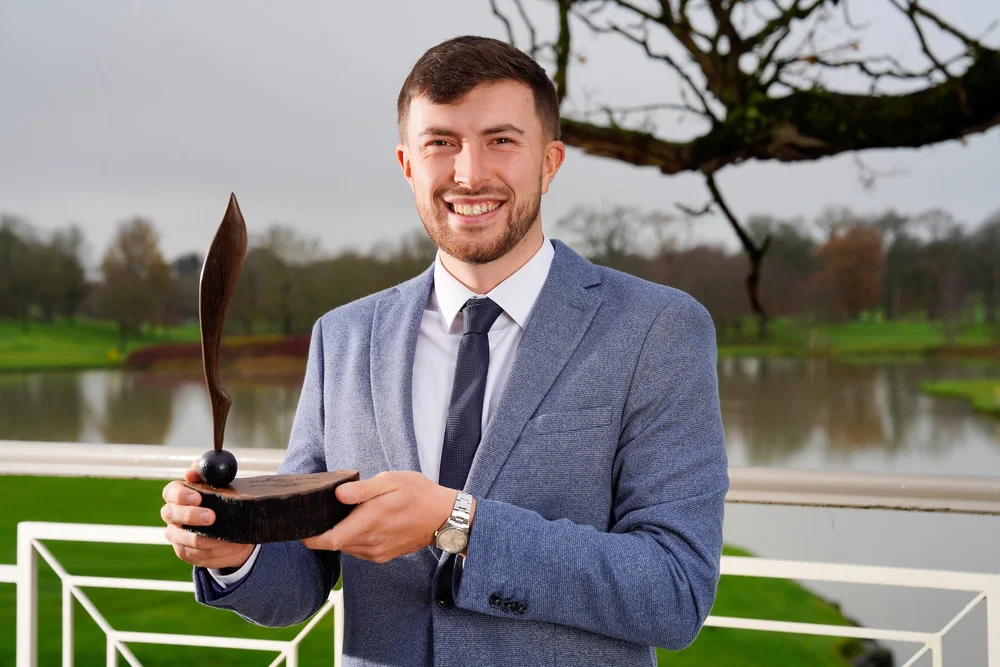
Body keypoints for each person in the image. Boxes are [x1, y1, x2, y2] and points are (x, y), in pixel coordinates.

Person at [160, 35, 729, 667]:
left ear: (550, 161)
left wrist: (457, 522)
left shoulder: (658, 328)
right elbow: (302, 578)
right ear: (407, 163)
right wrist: (239, 550)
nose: (469, 173)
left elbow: (675, 589)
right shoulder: (344, 337)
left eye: (501, 140)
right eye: (441, 143)